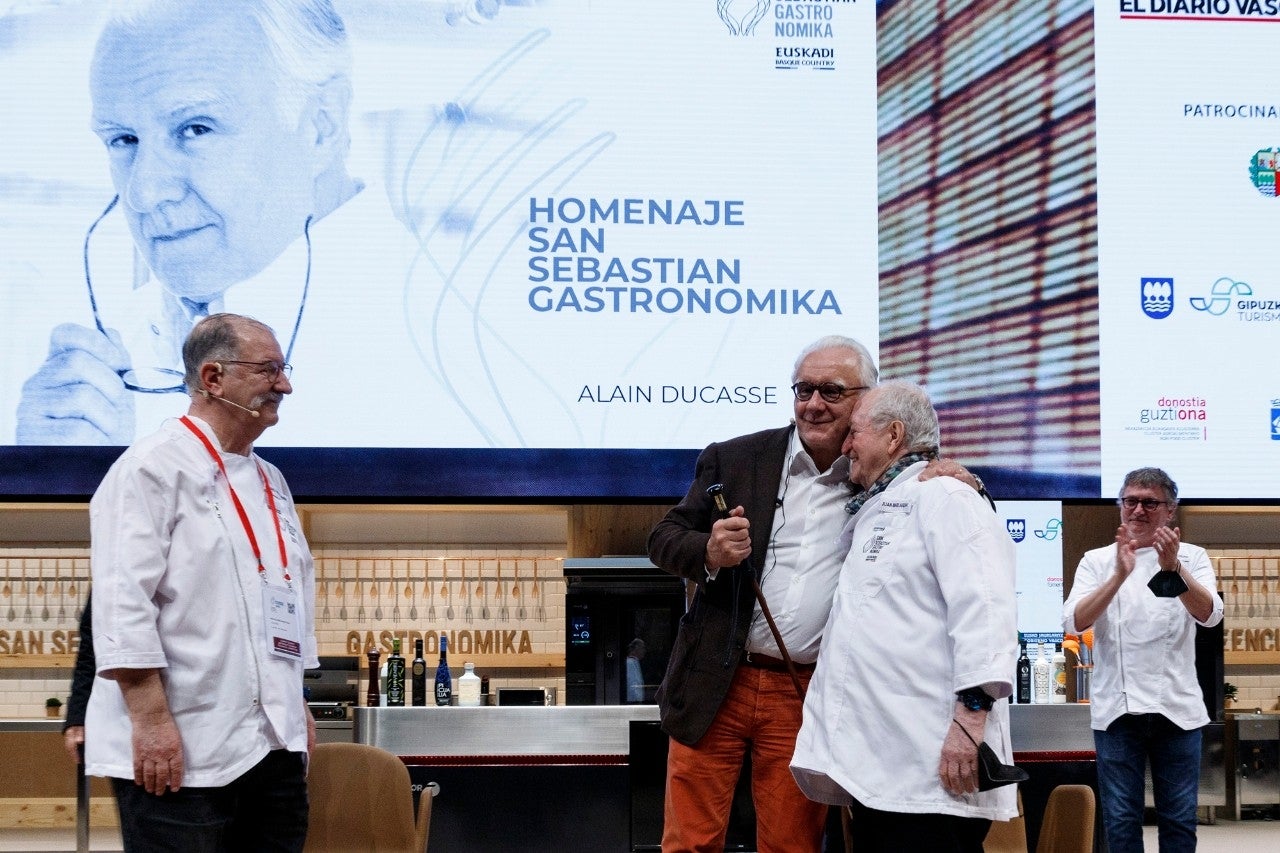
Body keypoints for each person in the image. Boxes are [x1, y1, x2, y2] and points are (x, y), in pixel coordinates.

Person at [647, 336, 979, 852]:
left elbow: (960, 524)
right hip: (716, 679)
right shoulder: (735, 459)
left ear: (866, 401)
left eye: (832, 390)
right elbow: (663, 538)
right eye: (803, 389)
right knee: (689, 843)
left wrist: (965, 480)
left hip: (806, 692)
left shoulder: (882, 474)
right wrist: (709, 550)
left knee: (791, 845)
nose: (813, 403)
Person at [15, 0, 371, 446]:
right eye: (123, 139)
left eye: (196, 128)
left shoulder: (452, 348)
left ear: (323, 126)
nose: (142, 193)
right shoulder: (72, 383)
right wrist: (51, 480)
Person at [84, 313, 318, 852]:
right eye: (269, 370)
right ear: (213, 378)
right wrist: (151, 720)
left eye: (284, 370)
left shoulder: (271, 480)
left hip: (271, 749)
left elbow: (280, 598)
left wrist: (295, 706)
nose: (284, 385)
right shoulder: (149, 467)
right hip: (181, 753)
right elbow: (123, 603)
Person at [790, 380, 1018, 852]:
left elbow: (987, 612)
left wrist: (970, 720)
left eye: (854, 433)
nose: (845, 446)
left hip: (932, 766)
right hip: (882, 769)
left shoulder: (948, 497)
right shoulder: (879, 505)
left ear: (894, 436)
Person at [1063, 467, 1222, 853]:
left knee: (1179, 821)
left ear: (1170, 510)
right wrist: (1118, 576)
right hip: (1117, 712)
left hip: (1177, 710)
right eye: (1130, 501)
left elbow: (1211, 615)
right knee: (1120, 822)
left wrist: (1175, 568)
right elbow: (1074, 621)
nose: (1138, 509)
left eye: (1149, 502)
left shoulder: (1193, 557)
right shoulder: (1097, 560)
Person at [626, 638, 647, 703]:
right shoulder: (630, 663)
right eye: (642, 648)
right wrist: (638, 701)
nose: (644, 651)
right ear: (636, 648)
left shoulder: (635, 662)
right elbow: (633, 685)